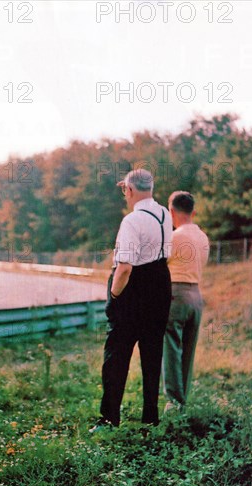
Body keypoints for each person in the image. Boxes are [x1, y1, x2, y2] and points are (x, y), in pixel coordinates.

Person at [90, 169, 172, 432]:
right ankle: (150, 418)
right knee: (152, 354)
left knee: (116, 355)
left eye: (124, 190)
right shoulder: (164, 214)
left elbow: (125, 267)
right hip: (160, 283)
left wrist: (114, 296)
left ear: (130, 190)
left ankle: (109, 419)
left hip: (134, 289)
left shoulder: (132, 221)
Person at [162, 191, 209, 411]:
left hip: (176, 293)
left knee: (171, 345)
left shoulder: (174, 236)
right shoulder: (203, 237)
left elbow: (161, 264)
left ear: (171, 211)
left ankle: (174, 400)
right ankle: (183, 399)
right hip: (196, 295)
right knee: (188, 349)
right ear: (194, 211)